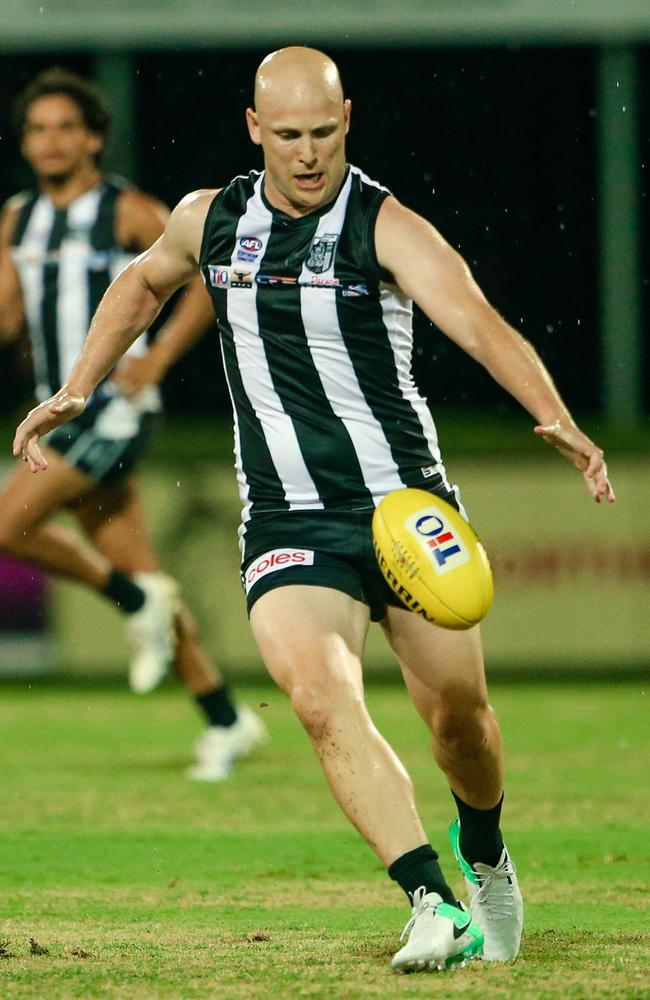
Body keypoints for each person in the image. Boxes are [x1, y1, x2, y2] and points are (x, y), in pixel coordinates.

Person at [12, 49, 615, 972]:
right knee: (319, 698)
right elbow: (141, 283)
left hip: (406, 512)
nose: (306, 155)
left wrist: (557, 417)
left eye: (322, 135)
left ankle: (484, 849)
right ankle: (431, 900)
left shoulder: (386, 225)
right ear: (255, 129)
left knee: (461, 722)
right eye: (287, 135)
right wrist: (77, 387)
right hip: (289, 518)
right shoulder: (210, 217)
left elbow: (480, 321)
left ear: (347, 122)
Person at [0, 67, 266, 782]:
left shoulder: (127, 210)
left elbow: (214, 275)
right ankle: (225, 717)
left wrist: (157, 361)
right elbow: (6, 315)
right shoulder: (17, 219)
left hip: (115, 407)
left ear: (92, 139)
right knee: (149, 576)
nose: (50, 141)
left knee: (4, 524)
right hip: (61, 413)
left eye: (65, 127)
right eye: (37, 129)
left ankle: (131, 600)